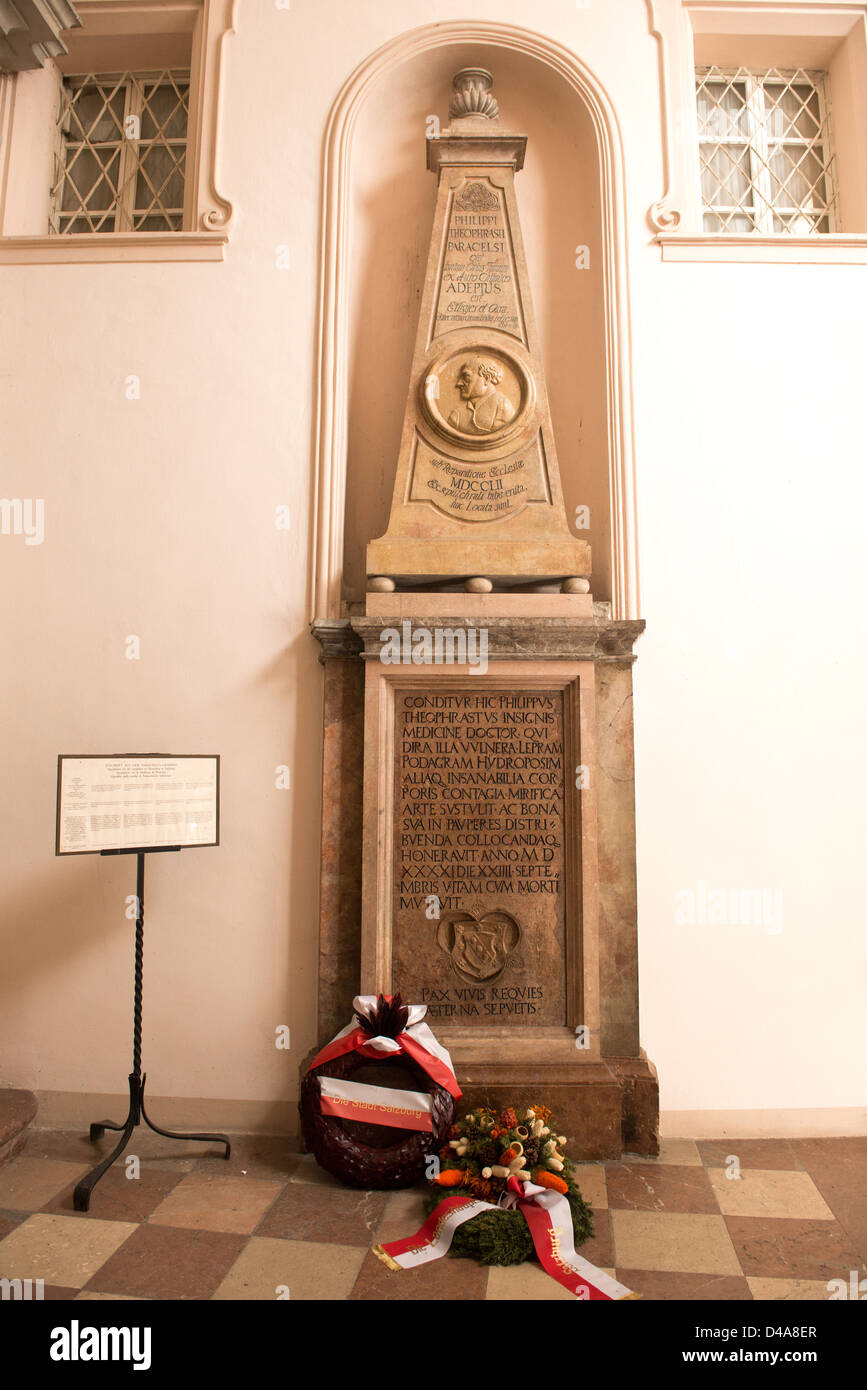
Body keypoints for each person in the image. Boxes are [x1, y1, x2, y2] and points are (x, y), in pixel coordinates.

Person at [447, 356, 515, 434]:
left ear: (487, 378)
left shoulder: (503, 407)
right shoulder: (457, 415)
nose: (459, 383)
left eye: (466, 377)